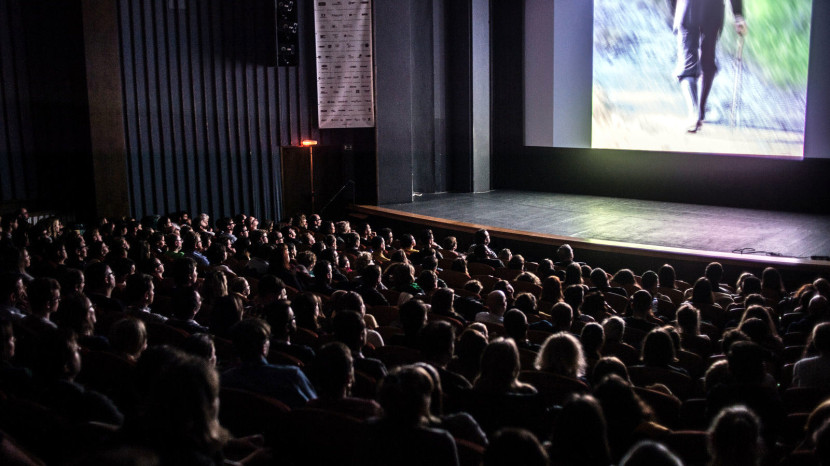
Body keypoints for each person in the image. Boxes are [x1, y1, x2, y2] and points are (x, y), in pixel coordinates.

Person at [670, 0, 747, 133]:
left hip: (686, 9)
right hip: (713, 11)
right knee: (708, 60)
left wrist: (674, 9)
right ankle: (700, 110)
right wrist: (738, 15)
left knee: (687, 63)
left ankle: (694, 112)